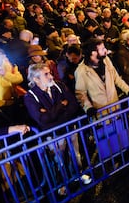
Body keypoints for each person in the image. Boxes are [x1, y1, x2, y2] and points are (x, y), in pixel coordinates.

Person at [24, 63, 91, 195]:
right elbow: (42, 119)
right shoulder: (30, 97)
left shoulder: (58, 86)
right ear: (36, 79)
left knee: (75, 155)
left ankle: (78, 174)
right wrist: (61, 105)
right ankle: (61, 184)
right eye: (46, 74)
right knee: (58, 160)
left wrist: (52, 114)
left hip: (69, 127)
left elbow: (73, 105)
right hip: (52, 134)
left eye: (50, 73)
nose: (51, 76)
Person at [75, 38, 129, 117]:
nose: (106, 50)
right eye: (102, 49)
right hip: (101, 116)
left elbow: (116, 78)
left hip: (116, 110)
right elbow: (80, 93)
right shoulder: (81, 71)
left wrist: (128, 91)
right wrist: (88, 107)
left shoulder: (106, 60)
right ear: (93, 53)